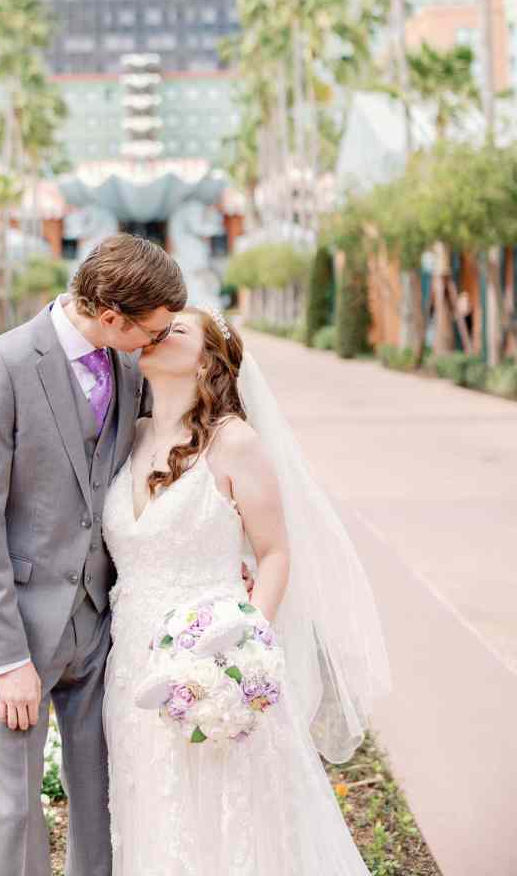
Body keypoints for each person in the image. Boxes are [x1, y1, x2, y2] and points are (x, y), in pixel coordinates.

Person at [102, 305, 392, 876]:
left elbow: (275, 552)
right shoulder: (129, 438)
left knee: (232, 821)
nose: (156, 334)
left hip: (216, 661)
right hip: (132, 662)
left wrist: (244, 649)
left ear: (207, 361)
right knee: (155, 814)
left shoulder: (234, 443)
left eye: (175, 330)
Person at [0, 233, 188, 876]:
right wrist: (8, 659)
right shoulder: (0, 366)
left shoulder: (130, 368)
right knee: (15, 809)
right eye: (153, 331)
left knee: (103, 799)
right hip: (18, 632)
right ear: (112, 316)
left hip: (101, 627)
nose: (156, 343)